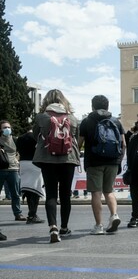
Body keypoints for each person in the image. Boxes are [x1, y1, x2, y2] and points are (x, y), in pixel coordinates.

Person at [32, 89, 81, 243]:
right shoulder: (72, 117)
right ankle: (64, 227)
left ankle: (53, 226)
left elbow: (35, 136)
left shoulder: (41, 117)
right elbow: (77, 138)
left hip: (48, 158)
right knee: (66, 194)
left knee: (51, 193)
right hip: (68, 158)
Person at [78, 95, 126, 235]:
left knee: (96, 193)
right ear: (108, 106)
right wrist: (118, 160)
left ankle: (99, 225)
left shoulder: (87, 122)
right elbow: (123, 144)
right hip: (112, 162)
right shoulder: (116, 121)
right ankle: (114, 215)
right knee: (109, 191)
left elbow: (79, 144)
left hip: (94, 162)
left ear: (92, 106)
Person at [15, 126, 45, 224]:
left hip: (23, 164)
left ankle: (31, 213)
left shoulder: (20, 138)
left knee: (28, 190)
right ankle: (33, 214)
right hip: (35, 164)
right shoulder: (37, 137)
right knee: (35, 190)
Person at [0, 120, 27, 222]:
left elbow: (19, 152)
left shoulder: (15, 140)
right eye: (4, 127)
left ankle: (18, 214)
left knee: (15, 193)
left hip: (13, 169)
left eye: (8, 127)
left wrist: (17, 161)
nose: (7, 129)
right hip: (1, 169)